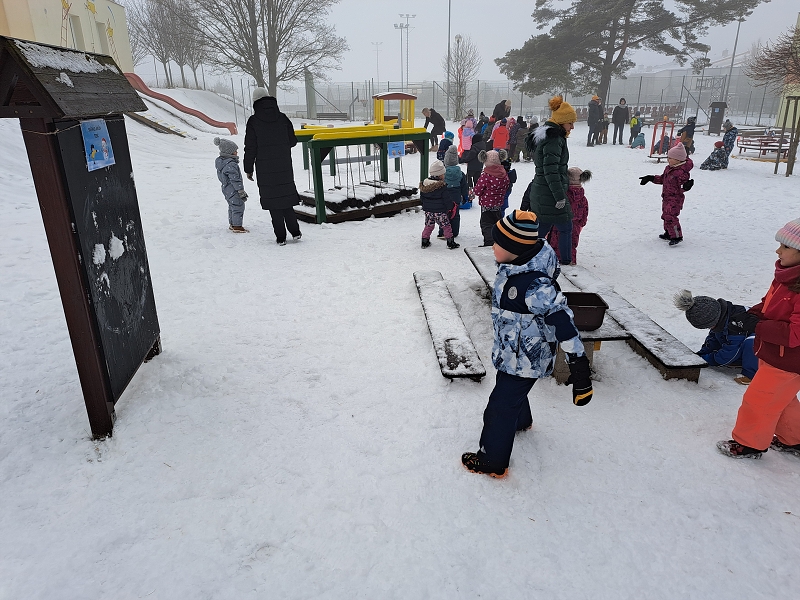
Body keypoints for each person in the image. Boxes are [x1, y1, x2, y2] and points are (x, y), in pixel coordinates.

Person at [461, 210, 593, 478]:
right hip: (513, 353)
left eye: (498, 243)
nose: (493, 247)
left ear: (515, 249)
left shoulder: (534, 286)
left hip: (526, 358)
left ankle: (492, 460)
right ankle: (521, 421)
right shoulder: (516, 267)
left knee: (500, 407)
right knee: (509, 392)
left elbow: (563, 322)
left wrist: (578, 365)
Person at [717, 218, 800, 459]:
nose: (778, 251)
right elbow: (769, 304)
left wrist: (758, 326)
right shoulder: (786, 276)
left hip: (788, 360)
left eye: (786, 246)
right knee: (782, 399)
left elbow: (795, 334)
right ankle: (794, 439)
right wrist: (751, 315)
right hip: (773, 353)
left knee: (760, 401)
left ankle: (749, 444)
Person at [522, 96, 577, 264]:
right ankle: (566, 263)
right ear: (561, 121)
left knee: (542, 227)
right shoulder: (554, 139)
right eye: (570, 123)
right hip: (550, 192)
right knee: (565, 227)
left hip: (542, 190)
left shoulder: (550, 136)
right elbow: (551, 170)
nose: (572, 127)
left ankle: (531, 258)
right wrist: (559, 196)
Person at [244, 89, 301, 246]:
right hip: (284, 165)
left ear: (255, 101)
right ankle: (295, 232)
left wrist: (248, 168)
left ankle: (281, 237)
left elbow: (250, 147)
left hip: (264, 169)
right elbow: (292, 141)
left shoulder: (253, 121)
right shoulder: (282, 118)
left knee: (274, 202)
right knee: (286, 199)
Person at [673, 290, 758, 384]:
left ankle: (751, 374)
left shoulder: (736, 323)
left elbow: (731, 351)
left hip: (766, 348)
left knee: (752, 342)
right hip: (743, 340)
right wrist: (702, 354)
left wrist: (710, 359)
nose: (709, 328)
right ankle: (740, 360)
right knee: (722, 336)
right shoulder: (722, 317)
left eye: (709, 326)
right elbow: (713, 339)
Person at [639, 143, 694, 246]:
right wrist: (651, 178)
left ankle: (677, 236)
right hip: (666, 197)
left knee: (671, 216)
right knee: (665, 215)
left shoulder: (682, 172)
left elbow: (682, 186)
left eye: (671, 158)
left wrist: (686, 186)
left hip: (676, 198)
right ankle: (669, 233)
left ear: (679, 160)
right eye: (668, 158)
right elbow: (662, 179)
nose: (668, 160)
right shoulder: (669, 168)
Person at [547, 167, 591, 265]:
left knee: (555, 244)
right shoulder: (583, 198)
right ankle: (571, 263)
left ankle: (554, 263)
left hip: (559, 224)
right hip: (575, 227)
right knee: (572, 245)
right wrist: (581, 223)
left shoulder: (563, 195)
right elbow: (585, 214)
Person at [419, 159, 459, 250]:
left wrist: (425, 206)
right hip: (440, 212)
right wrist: (451, 207)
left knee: (428, 226)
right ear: (440, 175)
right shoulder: (442, 187)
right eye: (443, 174)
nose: (444, 176)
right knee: (446, 226)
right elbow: (447, 199)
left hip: (428, 211)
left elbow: (422, 198)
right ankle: (450, 242)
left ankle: (424, 241)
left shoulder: (424, 185)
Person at [474, 150, 509, 246]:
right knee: (497, 224)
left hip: (486, 205)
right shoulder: (504, 174)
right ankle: (498, 242)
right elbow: (507, 186)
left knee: (486, 224)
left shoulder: (485, 176)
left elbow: (477, 191)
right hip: (498, 204)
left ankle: (489, 243)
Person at [214, 137, 249, 233]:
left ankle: (232, 224)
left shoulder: (221, 162)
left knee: (232, 205)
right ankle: (237, 226)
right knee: (238, 205)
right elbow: (235, 179)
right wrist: (240, 190)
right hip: (233, 189)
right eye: (235, 151)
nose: (237, 152)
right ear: (229, 152)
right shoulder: (231, 164)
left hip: (226, 188)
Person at [436, 145, 468, 238]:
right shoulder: (461, 174)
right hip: (456, 198)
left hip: (444, 198)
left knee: (444, 215)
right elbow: (464, 187)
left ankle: (442, 232)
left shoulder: (442, 174)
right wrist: (465, 197)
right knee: (455, 215)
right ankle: (454, 232)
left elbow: (438, 186)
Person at [499, 150, 517, 216]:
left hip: (502, 193)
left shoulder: (504, 175)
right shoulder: (510, 174)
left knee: (501, 208)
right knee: (502, 207)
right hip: (507, 192)